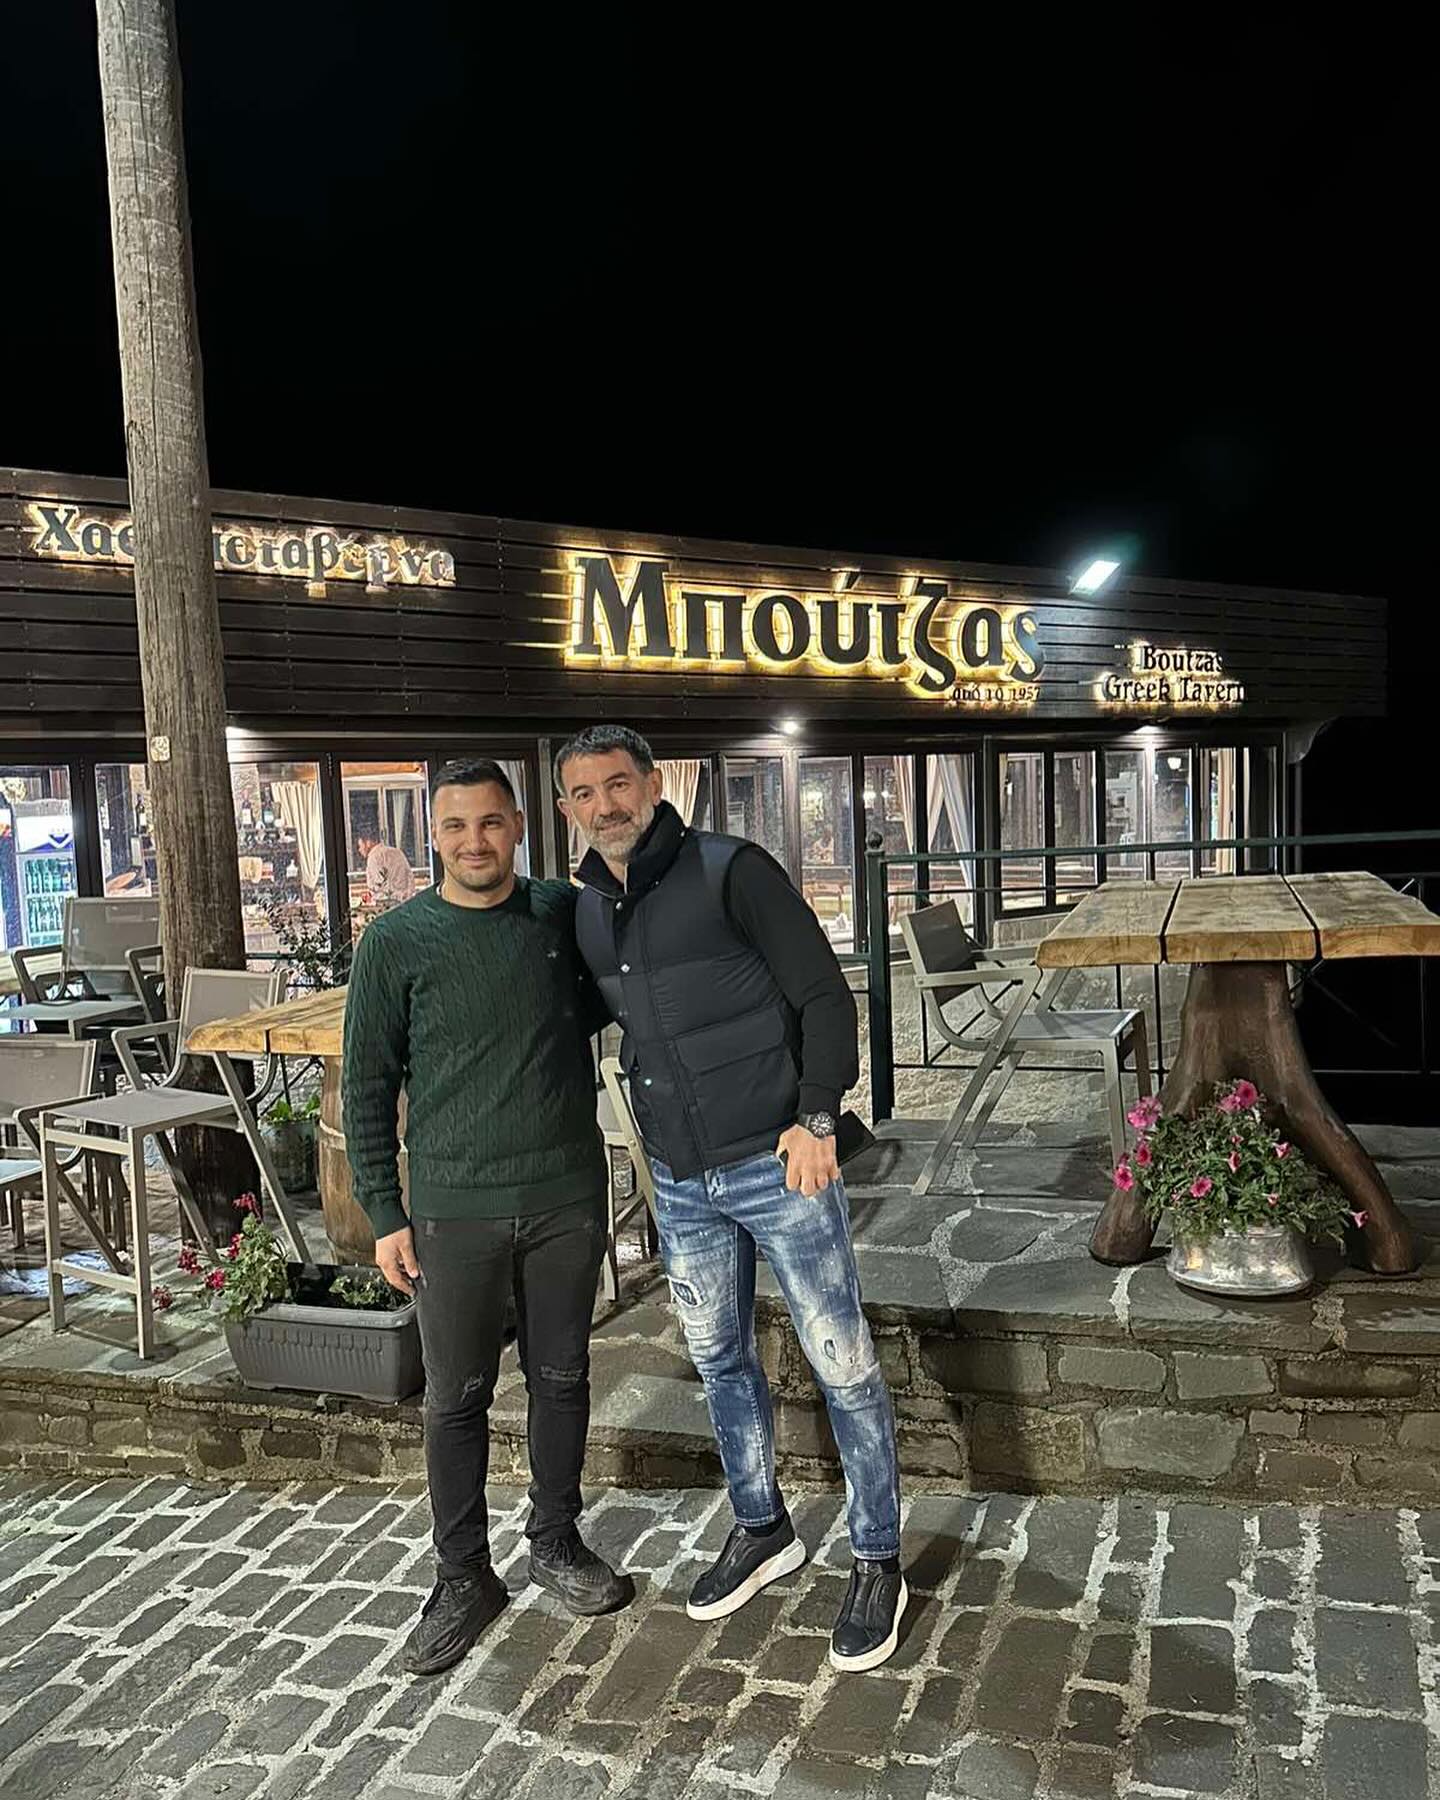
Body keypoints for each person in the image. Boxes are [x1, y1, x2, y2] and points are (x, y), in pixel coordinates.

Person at [558, 724, 906, 1672]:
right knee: (719, 1362)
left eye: (617, 784)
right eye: (584, 793)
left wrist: (817, 1117)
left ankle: (878, 1556)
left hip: (777, 1163)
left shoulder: (731, 871)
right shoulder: (587, 910)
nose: (604, 806)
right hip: (681, 1181)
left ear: (652, 783)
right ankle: (763, 1527)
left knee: (842, 1363)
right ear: (567, 808)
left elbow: (826, 995)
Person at [342, 757, 631, 1677]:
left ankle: (555, 1539)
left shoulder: (558, 915)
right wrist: (385, 1212)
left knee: (562, 1376)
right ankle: (463, 1573)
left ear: (519, 827)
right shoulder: (395, 943)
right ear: (434, 835)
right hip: (451, 1210)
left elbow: (614, 994)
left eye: (492, 823)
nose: (475, 842)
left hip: (563, 1197)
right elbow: (366, 1086)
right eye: (457, 826)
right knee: (456, 1397)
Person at [358, 831, 415, 909]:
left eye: (360, 846)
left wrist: (371, 897)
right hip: (407, 903)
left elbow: (378, 886)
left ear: (368, 843)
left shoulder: (373, 857)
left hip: (388, 905)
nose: (359, 850)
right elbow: (410, 876)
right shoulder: (397, 852)